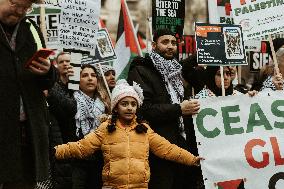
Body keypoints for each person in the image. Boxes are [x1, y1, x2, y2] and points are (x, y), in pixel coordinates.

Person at [54, 79, 203, 189]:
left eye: (133, 104)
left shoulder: (144, 130)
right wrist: (55, 151)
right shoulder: (105, 129)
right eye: (124, 104)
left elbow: (168, 149)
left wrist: (192, 159)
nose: (129, 108)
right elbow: (82, 147)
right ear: (116, 108)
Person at [127, 28, 200, 189]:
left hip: (183, 147)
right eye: (165, 42)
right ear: (154, 45)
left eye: (174, 43)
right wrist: (178, 109)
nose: (170, 46)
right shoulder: (141, 70)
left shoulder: (177, 71)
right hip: (157, 151)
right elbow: (144, 109)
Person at [0, 0, 56, 188]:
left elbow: (48, 82)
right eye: (16, 5)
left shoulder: (31, 28)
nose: (20, 12)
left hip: (27, 135)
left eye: (26, 8)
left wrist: (48, 71)